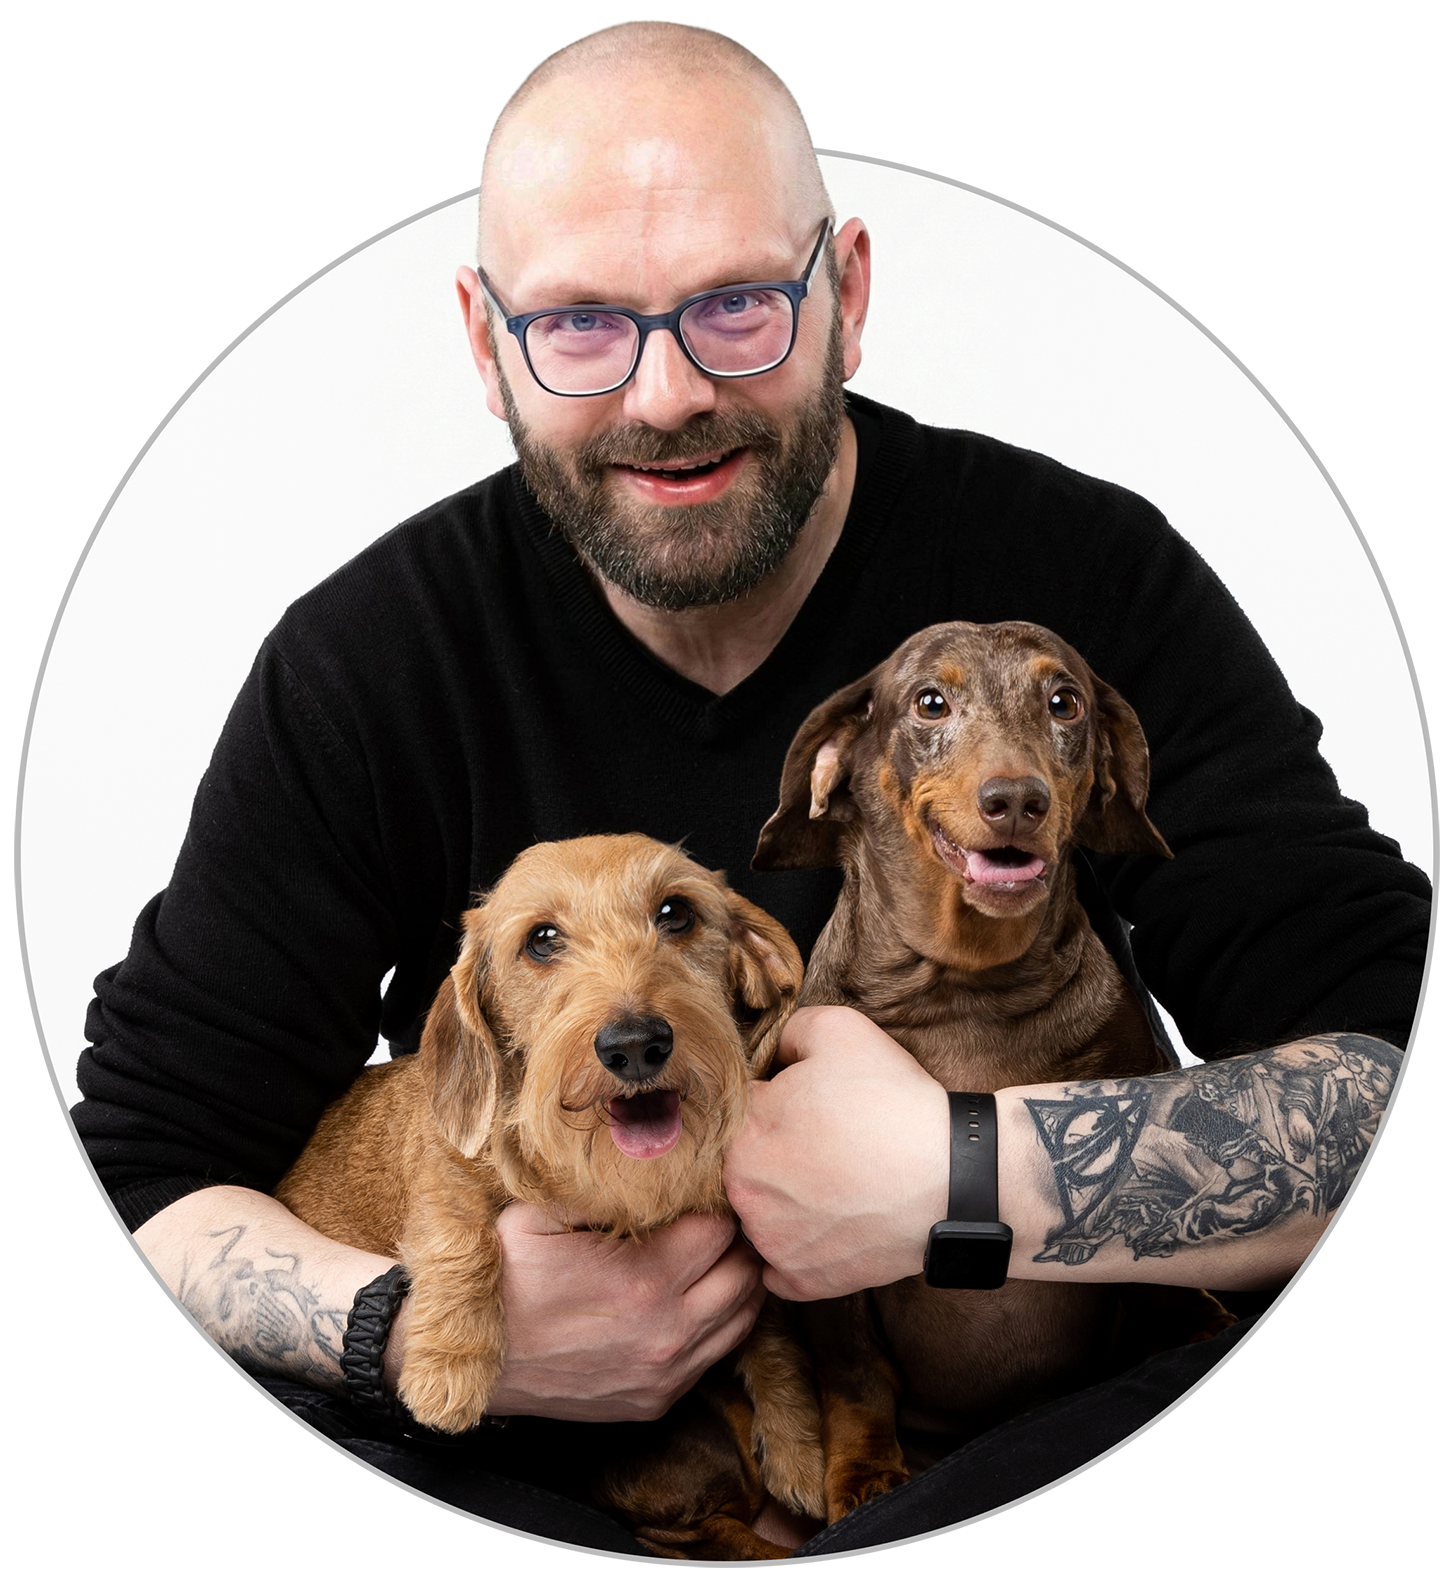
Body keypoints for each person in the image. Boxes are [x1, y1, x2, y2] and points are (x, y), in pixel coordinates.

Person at [72, 21, 1428, 1555]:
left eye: (736, 305)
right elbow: (125, 1188)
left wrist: (955, 1176)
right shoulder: (365, 667)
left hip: (1032, 1453)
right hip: (554, 1486)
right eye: (578, 323)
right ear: (483, 340)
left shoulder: (1085, 583)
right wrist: (418, 1329)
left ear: (848, 292)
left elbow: (1403, 1095)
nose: (664, 395)